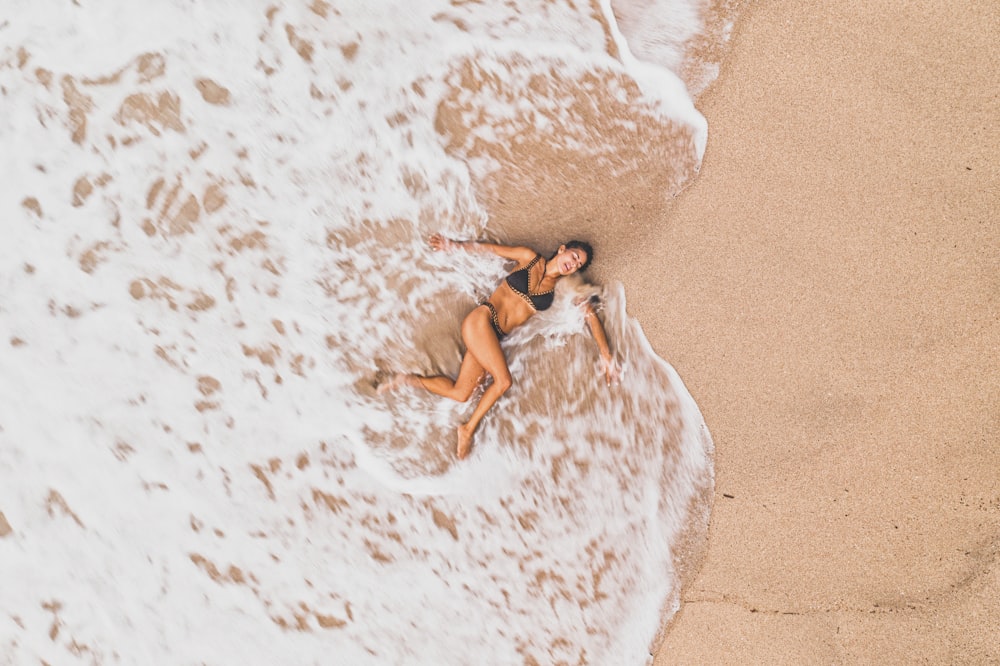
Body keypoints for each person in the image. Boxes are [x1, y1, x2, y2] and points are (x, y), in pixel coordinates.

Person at [380, 233, 618, 459]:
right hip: (482, 320)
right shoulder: (529, 258)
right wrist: (452, 245)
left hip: (494, 338)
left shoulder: (561, 290)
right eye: (574, 256)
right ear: (563, 249)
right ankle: (467, 429)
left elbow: (589, 315)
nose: (573, 264)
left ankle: (407, 380)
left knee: (461, 394)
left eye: (578, 265)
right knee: (503, 381)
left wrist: (606, 356)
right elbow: (491, 250)